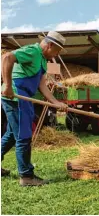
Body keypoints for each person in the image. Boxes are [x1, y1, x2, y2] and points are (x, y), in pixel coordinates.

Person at [1, 31, 68, 186]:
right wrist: (8, 86)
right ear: (50, 45)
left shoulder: (43, 61)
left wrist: (55, 102)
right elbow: (7, 57)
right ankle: (26, 176)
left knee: (12, 134)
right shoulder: (33, 51)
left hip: (25, 97)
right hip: (16, 97)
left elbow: (41, 85)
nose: (55, 56)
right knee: (23, 136)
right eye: (56, 51)